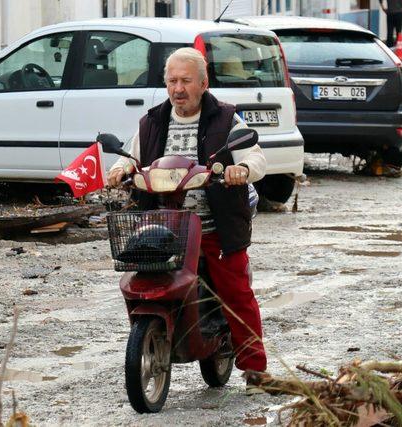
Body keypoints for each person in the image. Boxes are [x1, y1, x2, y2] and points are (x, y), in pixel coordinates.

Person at [107, 47, 268, 395]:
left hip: (215, 228)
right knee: (145, 281)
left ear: (204, 83)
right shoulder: (152, 121)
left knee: (237, 293)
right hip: (163, 227)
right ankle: (159, 334)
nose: (178, 89)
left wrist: (242, 170)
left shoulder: (227, 120)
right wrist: (120, 169)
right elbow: (133, 158)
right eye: (172, 81)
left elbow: (256, 158)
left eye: (186, 81)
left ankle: (256, 371)